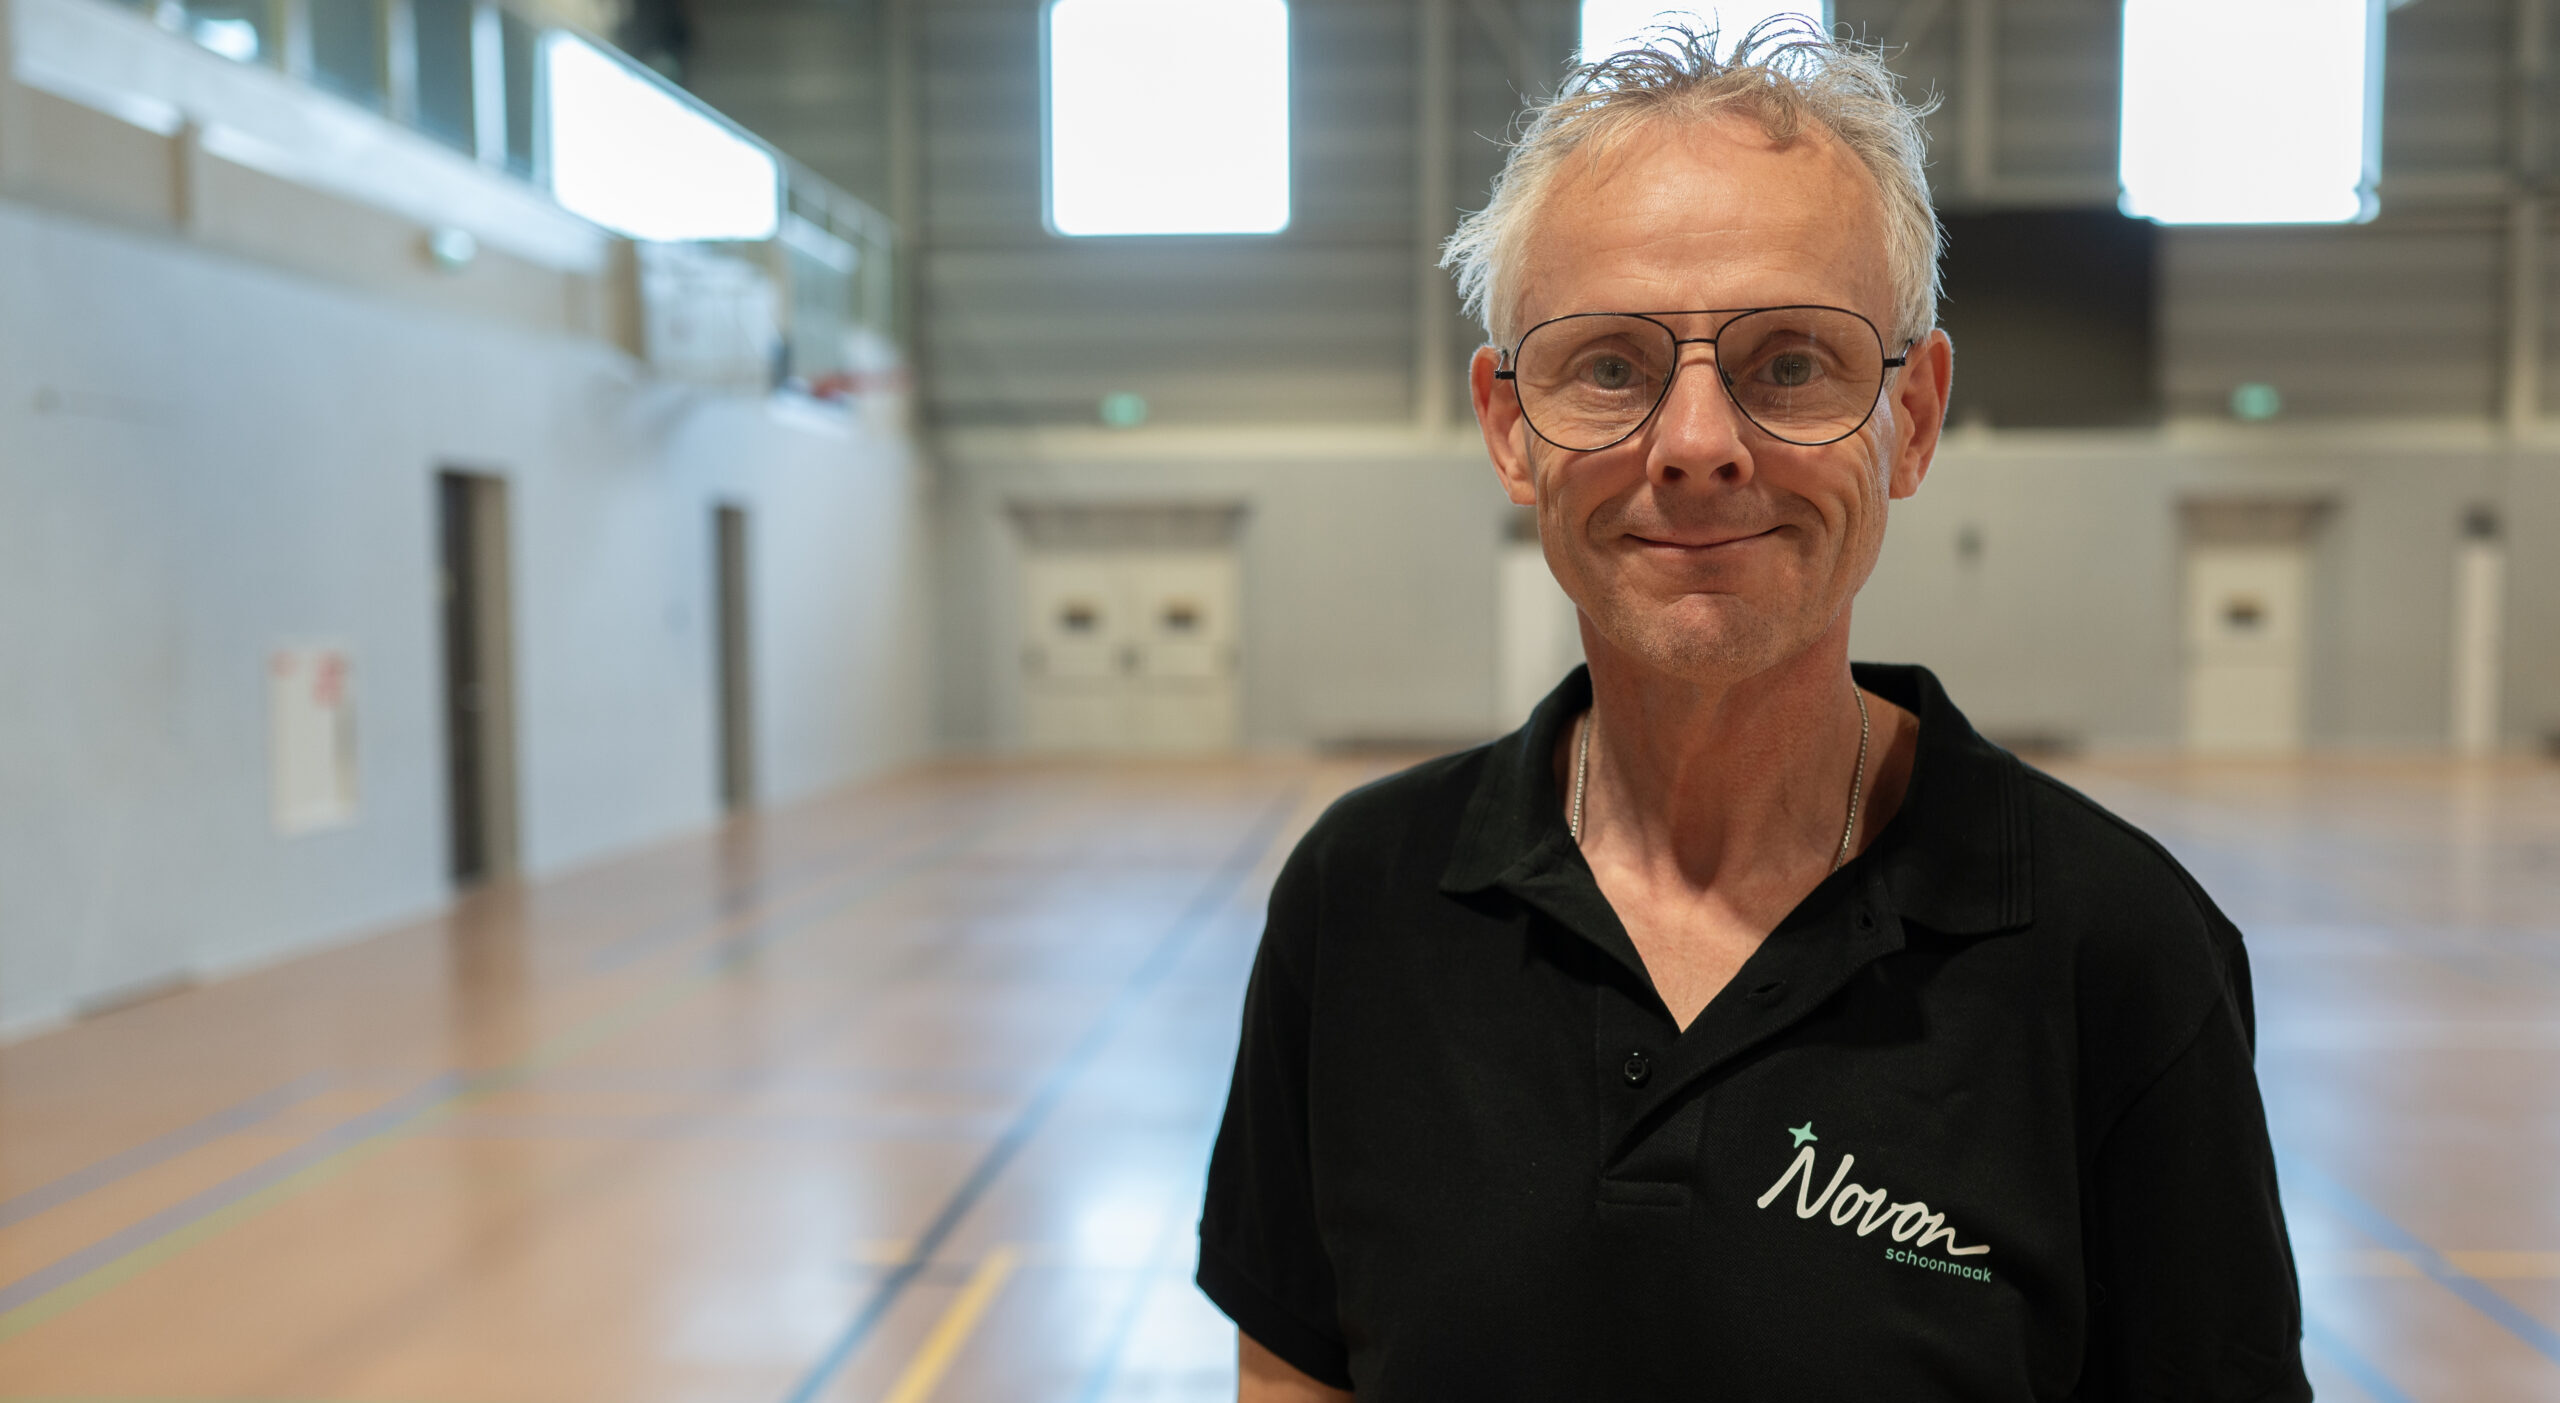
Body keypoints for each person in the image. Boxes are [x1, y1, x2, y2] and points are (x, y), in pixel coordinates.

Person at [1195, 18, 2310, 1402]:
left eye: (1790, 363)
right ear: (1510, 426)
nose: (1697, 445)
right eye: (1610, 364)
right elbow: (1294, 1374)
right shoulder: (1358, 901)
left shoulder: (2118, 949)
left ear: (1911, 420)